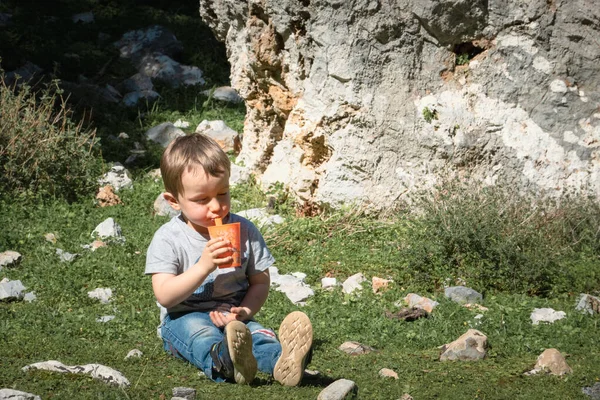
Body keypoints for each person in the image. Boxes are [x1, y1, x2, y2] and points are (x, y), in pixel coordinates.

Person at [145, 133, 313, 386]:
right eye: (202, 199)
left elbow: (259, 282)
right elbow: (165, 296)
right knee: (200, 335)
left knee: (258, 335)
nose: (216, 207)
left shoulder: (244, 229)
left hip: (234, 318)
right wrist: (204, 266)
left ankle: (282, 361)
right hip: (184, 316)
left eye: (222, 194)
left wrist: (244, 311)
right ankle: (222, 361)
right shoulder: (169, 238)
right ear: (173, 201)